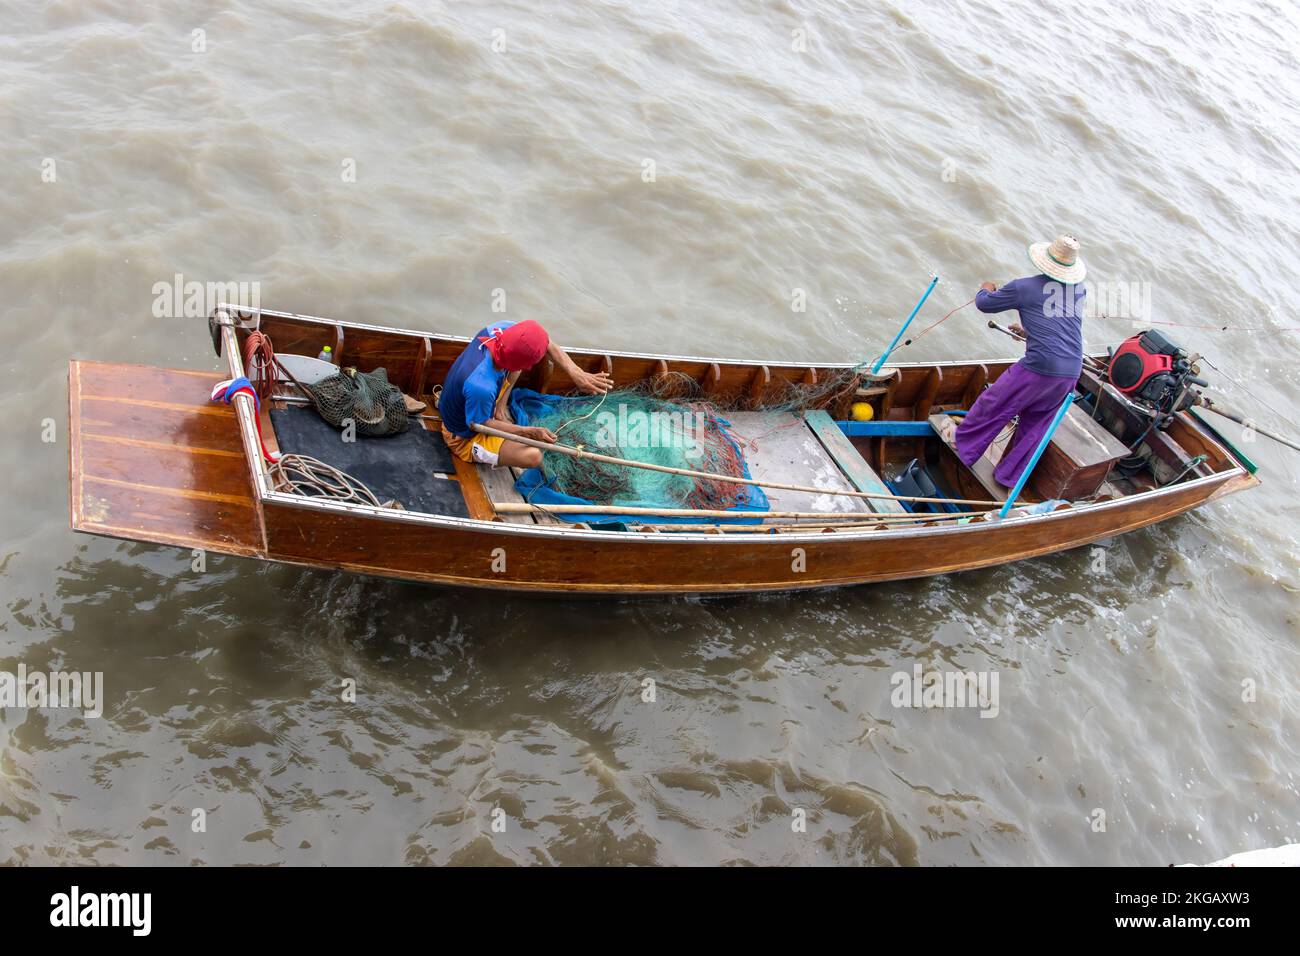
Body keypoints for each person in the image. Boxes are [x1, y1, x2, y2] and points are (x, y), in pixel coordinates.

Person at [954, 233, 1087, 487]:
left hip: (1039, 368)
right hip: (1070, 372)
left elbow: (984, 304)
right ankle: (1009, 477)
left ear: (1045, 259)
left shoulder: (1024, 287)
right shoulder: (1079, 290)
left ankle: (965, 448)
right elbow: (1061, 327)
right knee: (1035, 426)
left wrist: (986, 288)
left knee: (994, 403)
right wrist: (1029, 334)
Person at [439, 319, 613, 469]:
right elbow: (478, 424)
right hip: (464, 435)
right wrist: (528, 432)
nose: (529, 368)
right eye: (529, 365)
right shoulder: (481, 387)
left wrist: (576, 372)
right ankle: (476, 444)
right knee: (533, 456)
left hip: (480, 399)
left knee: (525, 351)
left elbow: (547, 343)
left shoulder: (501, 329)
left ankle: (500, 407)